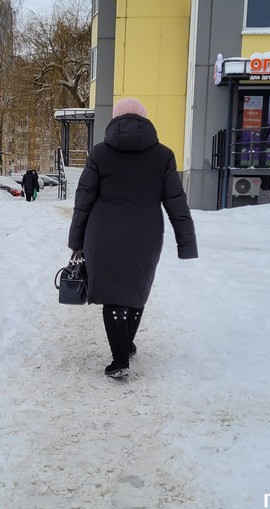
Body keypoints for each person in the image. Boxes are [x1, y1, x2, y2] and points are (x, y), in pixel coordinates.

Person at [68, 97, 198, 379]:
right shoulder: (163, 154)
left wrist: (76, 240)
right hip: (146, 235)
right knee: (135, 293)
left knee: (112, 296)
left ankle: (120, 358)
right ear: (145, 119)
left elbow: (84, 199)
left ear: (115, 119)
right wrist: (186, 242)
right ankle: (124, 347)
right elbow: (176, 201)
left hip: (103, 235)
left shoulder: (99, 153)